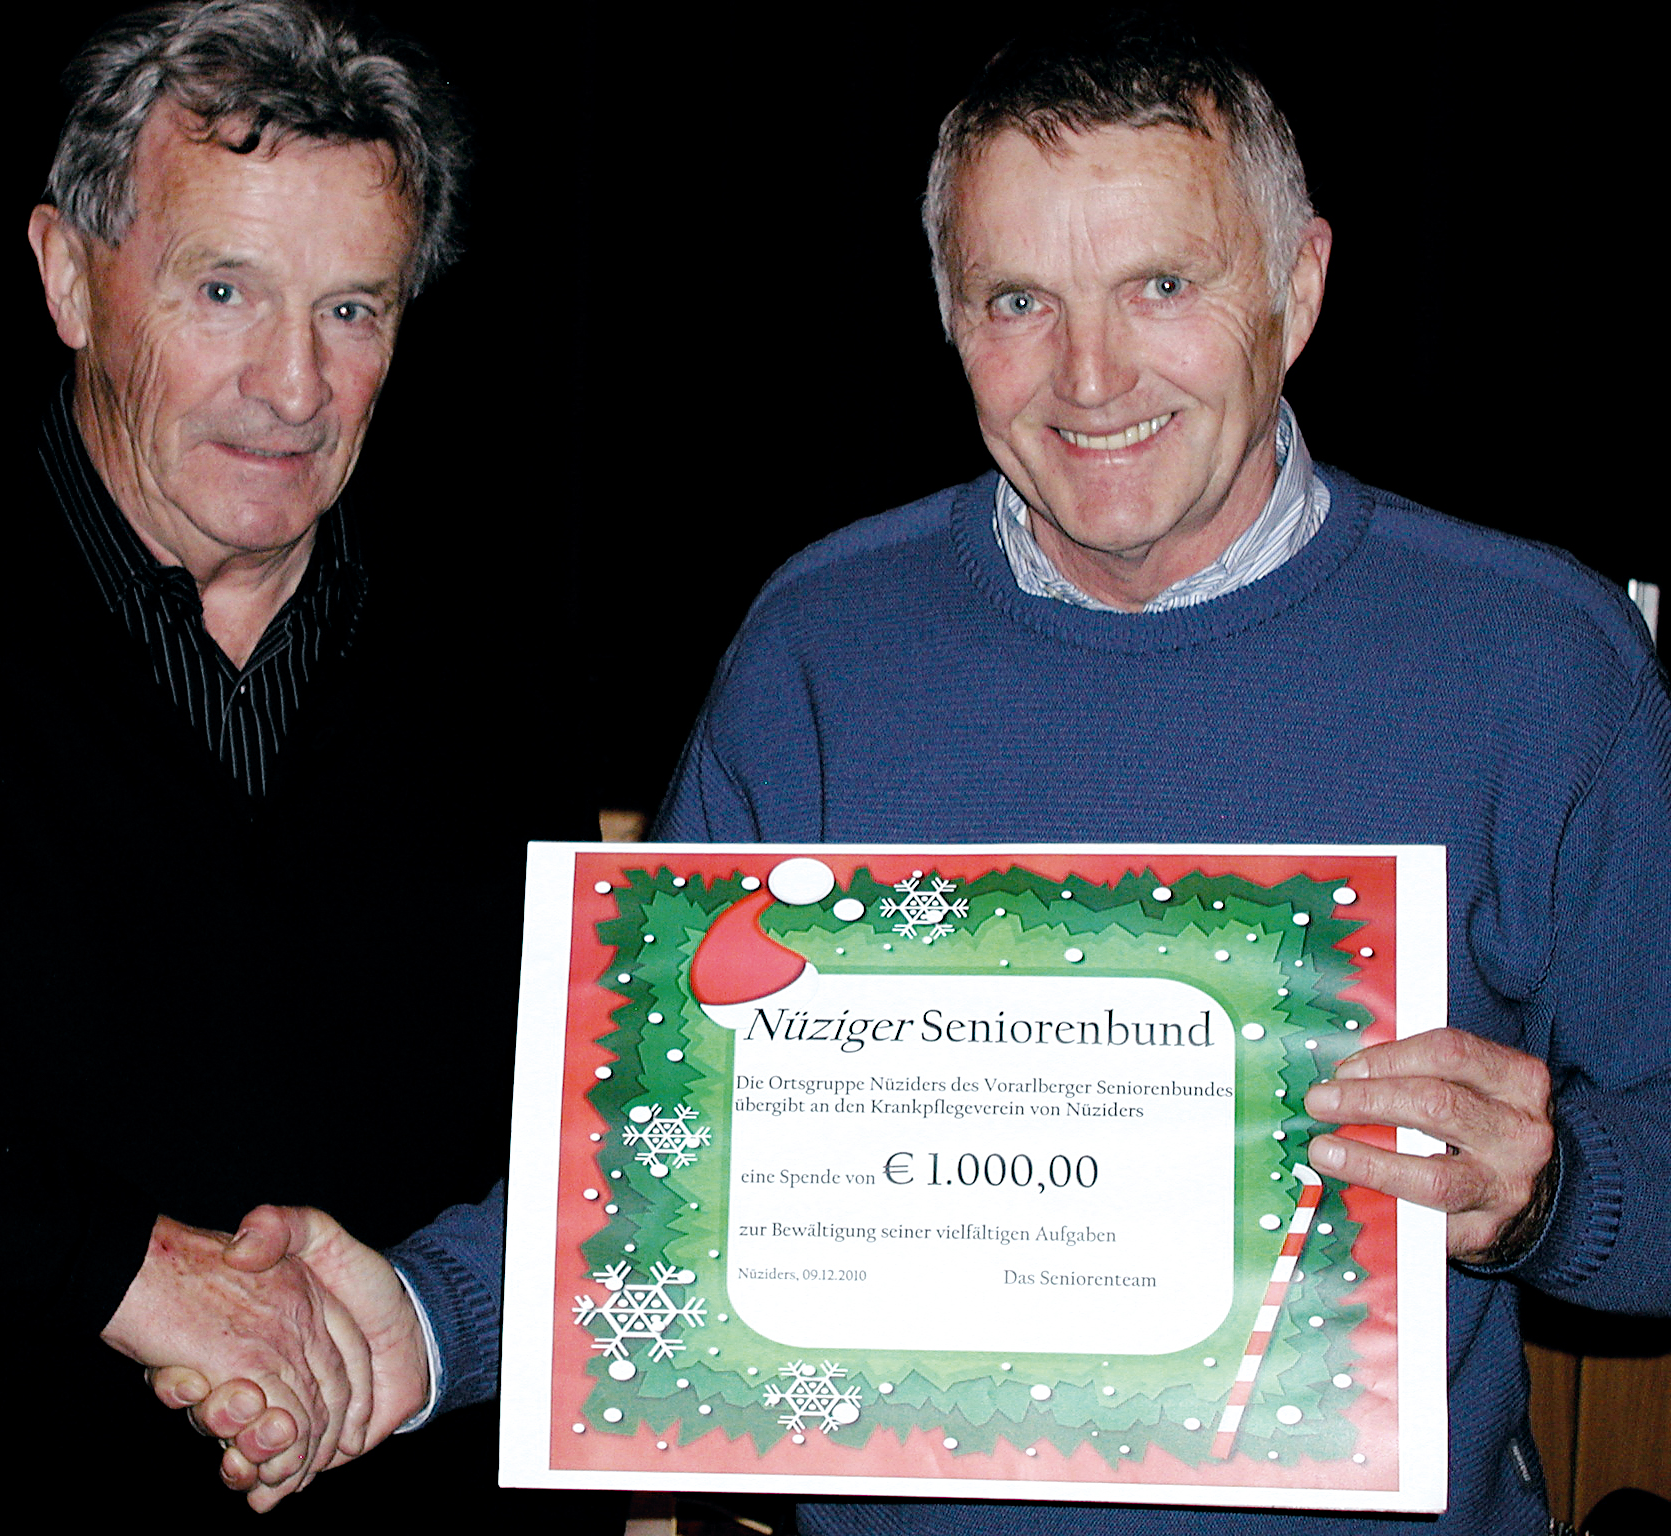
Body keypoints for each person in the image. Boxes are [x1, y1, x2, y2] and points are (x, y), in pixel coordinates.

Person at [179, 12, 1671, 1536]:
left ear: (1298, 286)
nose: (1091, 375)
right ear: (950, 316)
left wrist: (1554, 1194)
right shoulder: (823, 646)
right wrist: (420, 1325)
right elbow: (657, 1161)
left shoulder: (1537, 659)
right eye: (1019, 300)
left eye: (1161, 285)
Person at [0, 1, 593, 1528]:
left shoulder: (496, 674)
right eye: (224, 291)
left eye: (353, 309)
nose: (294, 384)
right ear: (68, 276)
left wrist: (428, 1328)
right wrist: (123, 1269)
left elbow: (592, 1147)